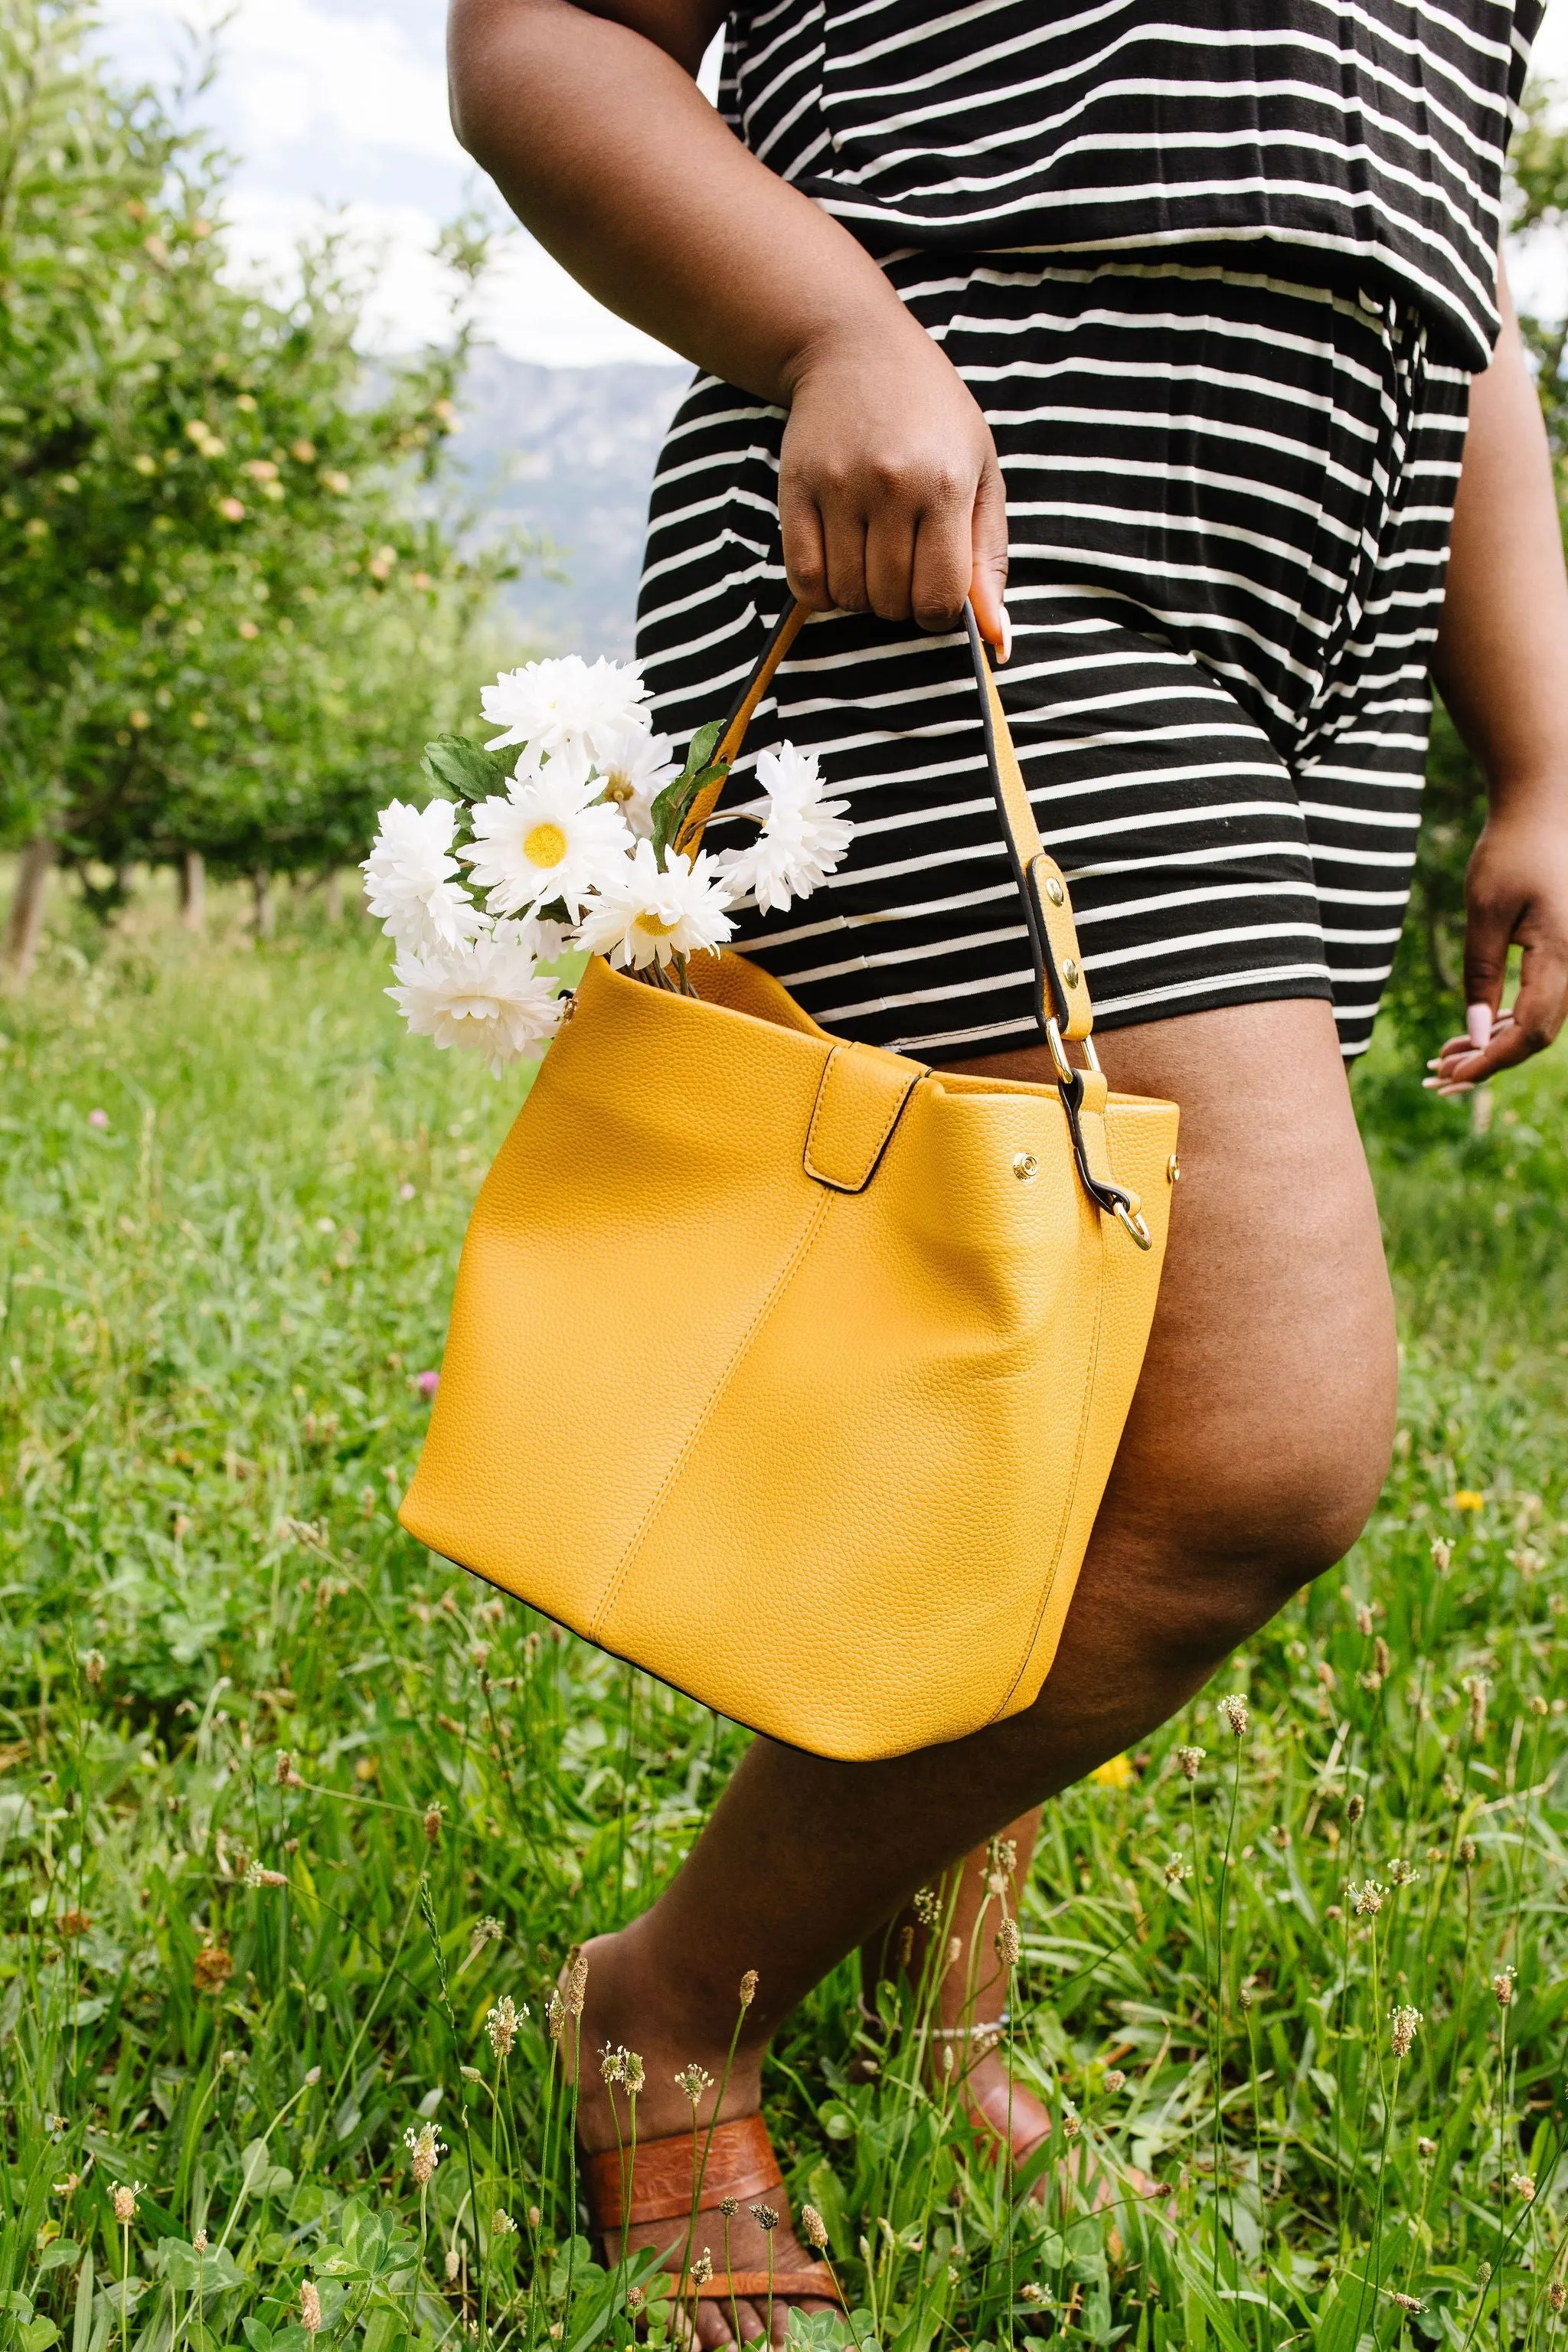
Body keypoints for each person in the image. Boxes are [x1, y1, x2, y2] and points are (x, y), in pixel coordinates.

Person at [448, 0, 1568, 2336]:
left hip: (1312, 633)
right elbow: (545, 33)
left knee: (1063, 1354)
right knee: (1254, 1450)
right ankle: (667, 2007)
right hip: (959, 521)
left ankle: (932, 1998)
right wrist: (833, 318)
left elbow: (1450, 291)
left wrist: (1542, 748)